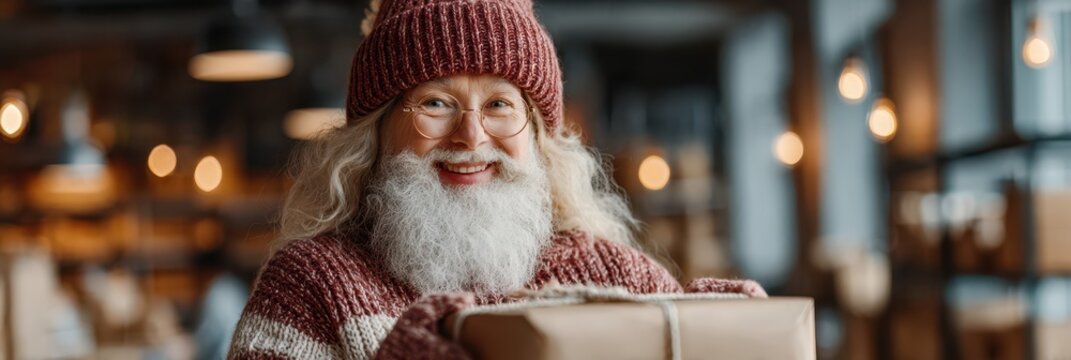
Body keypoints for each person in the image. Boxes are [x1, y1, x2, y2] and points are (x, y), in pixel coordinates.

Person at [227, 0, 766, 358]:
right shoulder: (309, 286)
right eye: (435, 102)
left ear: (536, 135)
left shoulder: (616, 278)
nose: (471, 136)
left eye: (500, 105)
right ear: (376, 132)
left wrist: (727, 334)